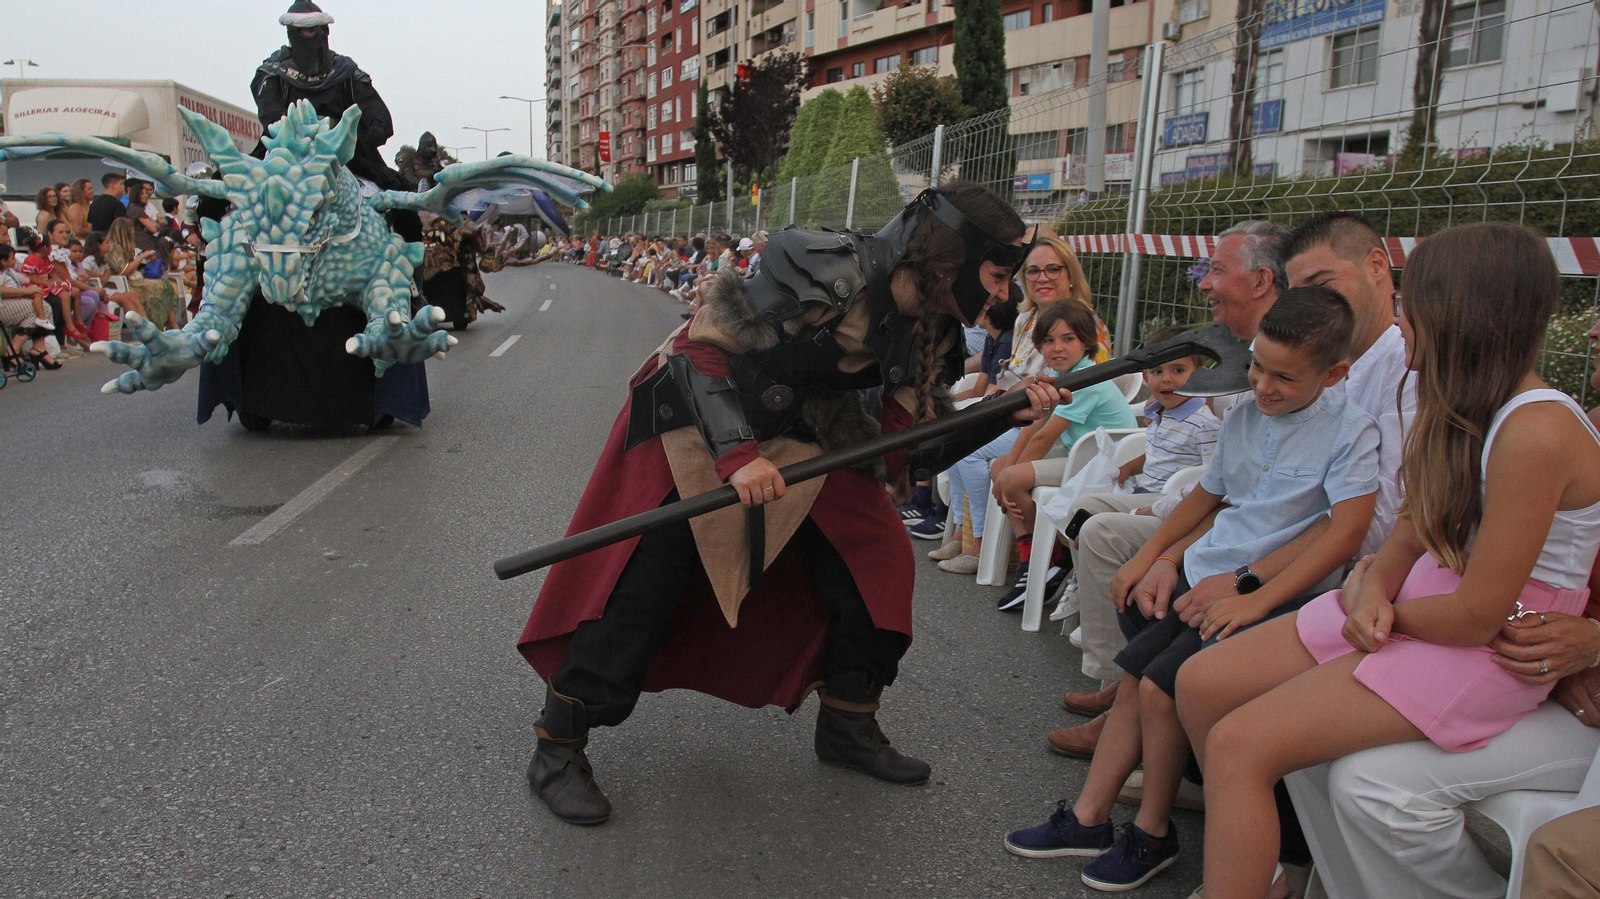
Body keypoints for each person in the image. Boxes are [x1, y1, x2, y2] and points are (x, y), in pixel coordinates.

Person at [516, 183, 1058, 827]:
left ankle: (849, 723)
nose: (1000, 293)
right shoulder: (828, 269)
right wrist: (737, 456)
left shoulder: (936, 322)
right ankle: (559, 744)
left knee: (876, 563)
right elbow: (700, 351)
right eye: (996, 274)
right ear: (953, 255)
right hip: (700, 414)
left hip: (809, 429)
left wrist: (1002, 414)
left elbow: (908, 447)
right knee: (648, 579)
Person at [1176, 221, 1600, 899]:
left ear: (1462, 315)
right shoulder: (1461, 402)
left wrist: (1382, 606)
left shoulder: (1536, 429)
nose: (1403, 323)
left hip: (1490, 648)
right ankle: (1262, 871)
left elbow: (1479, 614)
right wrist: (1374, 582)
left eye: (1415, 307)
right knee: (1201, 685)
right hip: (1425, 608)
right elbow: (1412, 526)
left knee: (1240, 744)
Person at [1006, 286, 1379, 894]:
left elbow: (1344, 531)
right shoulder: (1249, 413)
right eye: (1257, 366)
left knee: (1158, 689)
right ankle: (1090, 817)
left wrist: (1253, 598)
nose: (1263, 386)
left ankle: (1153, 831)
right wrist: (1152, 554)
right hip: (1207, 573)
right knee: (1136, 679)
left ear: (1335, 373)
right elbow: (1209, 495)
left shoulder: (1350, 430)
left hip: (1273, 594)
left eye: (1284, 377)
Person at [1049, 220, 1290, 758]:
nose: (1203, 284)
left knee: (1109, 534)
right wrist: (1164, 551)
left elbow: (1270, 509)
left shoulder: (1284, 379)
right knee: (1099, 528)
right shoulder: (1244, 364)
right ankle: (1122, 683)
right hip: (1206, 518)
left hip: (1250, 553)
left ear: (1261, 281)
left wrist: (1172, 554)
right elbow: (1218, 488)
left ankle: (1132, 701)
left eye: (1216, 271)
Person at [977, 301, 1137, 599]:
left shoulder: (1086, 379)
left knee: (1010, 478)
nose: (1057, 348)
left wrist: (1008, 479)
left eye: (1068, 339)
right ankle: (1033, 556)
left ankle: (1050, 556)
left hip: (1104, 466)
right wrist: (1006, 472)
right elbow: (1032, 427)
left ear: (1087, 342)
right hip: (1079, 458)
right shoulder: (1059, 376)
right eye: (1048, 340)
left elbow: (1044, 437)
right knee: (1000, 466)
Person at [104, 218, 174, 329]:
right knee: (160, 287)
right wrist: (141, 257)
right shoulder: (114, 248)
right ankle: (154, 326)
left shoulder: (127, 247)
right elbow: (123, 271)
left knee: (165, 285)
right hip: (123, 283)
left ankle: (169, 325)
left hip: (133, 280)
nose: (133, 233)